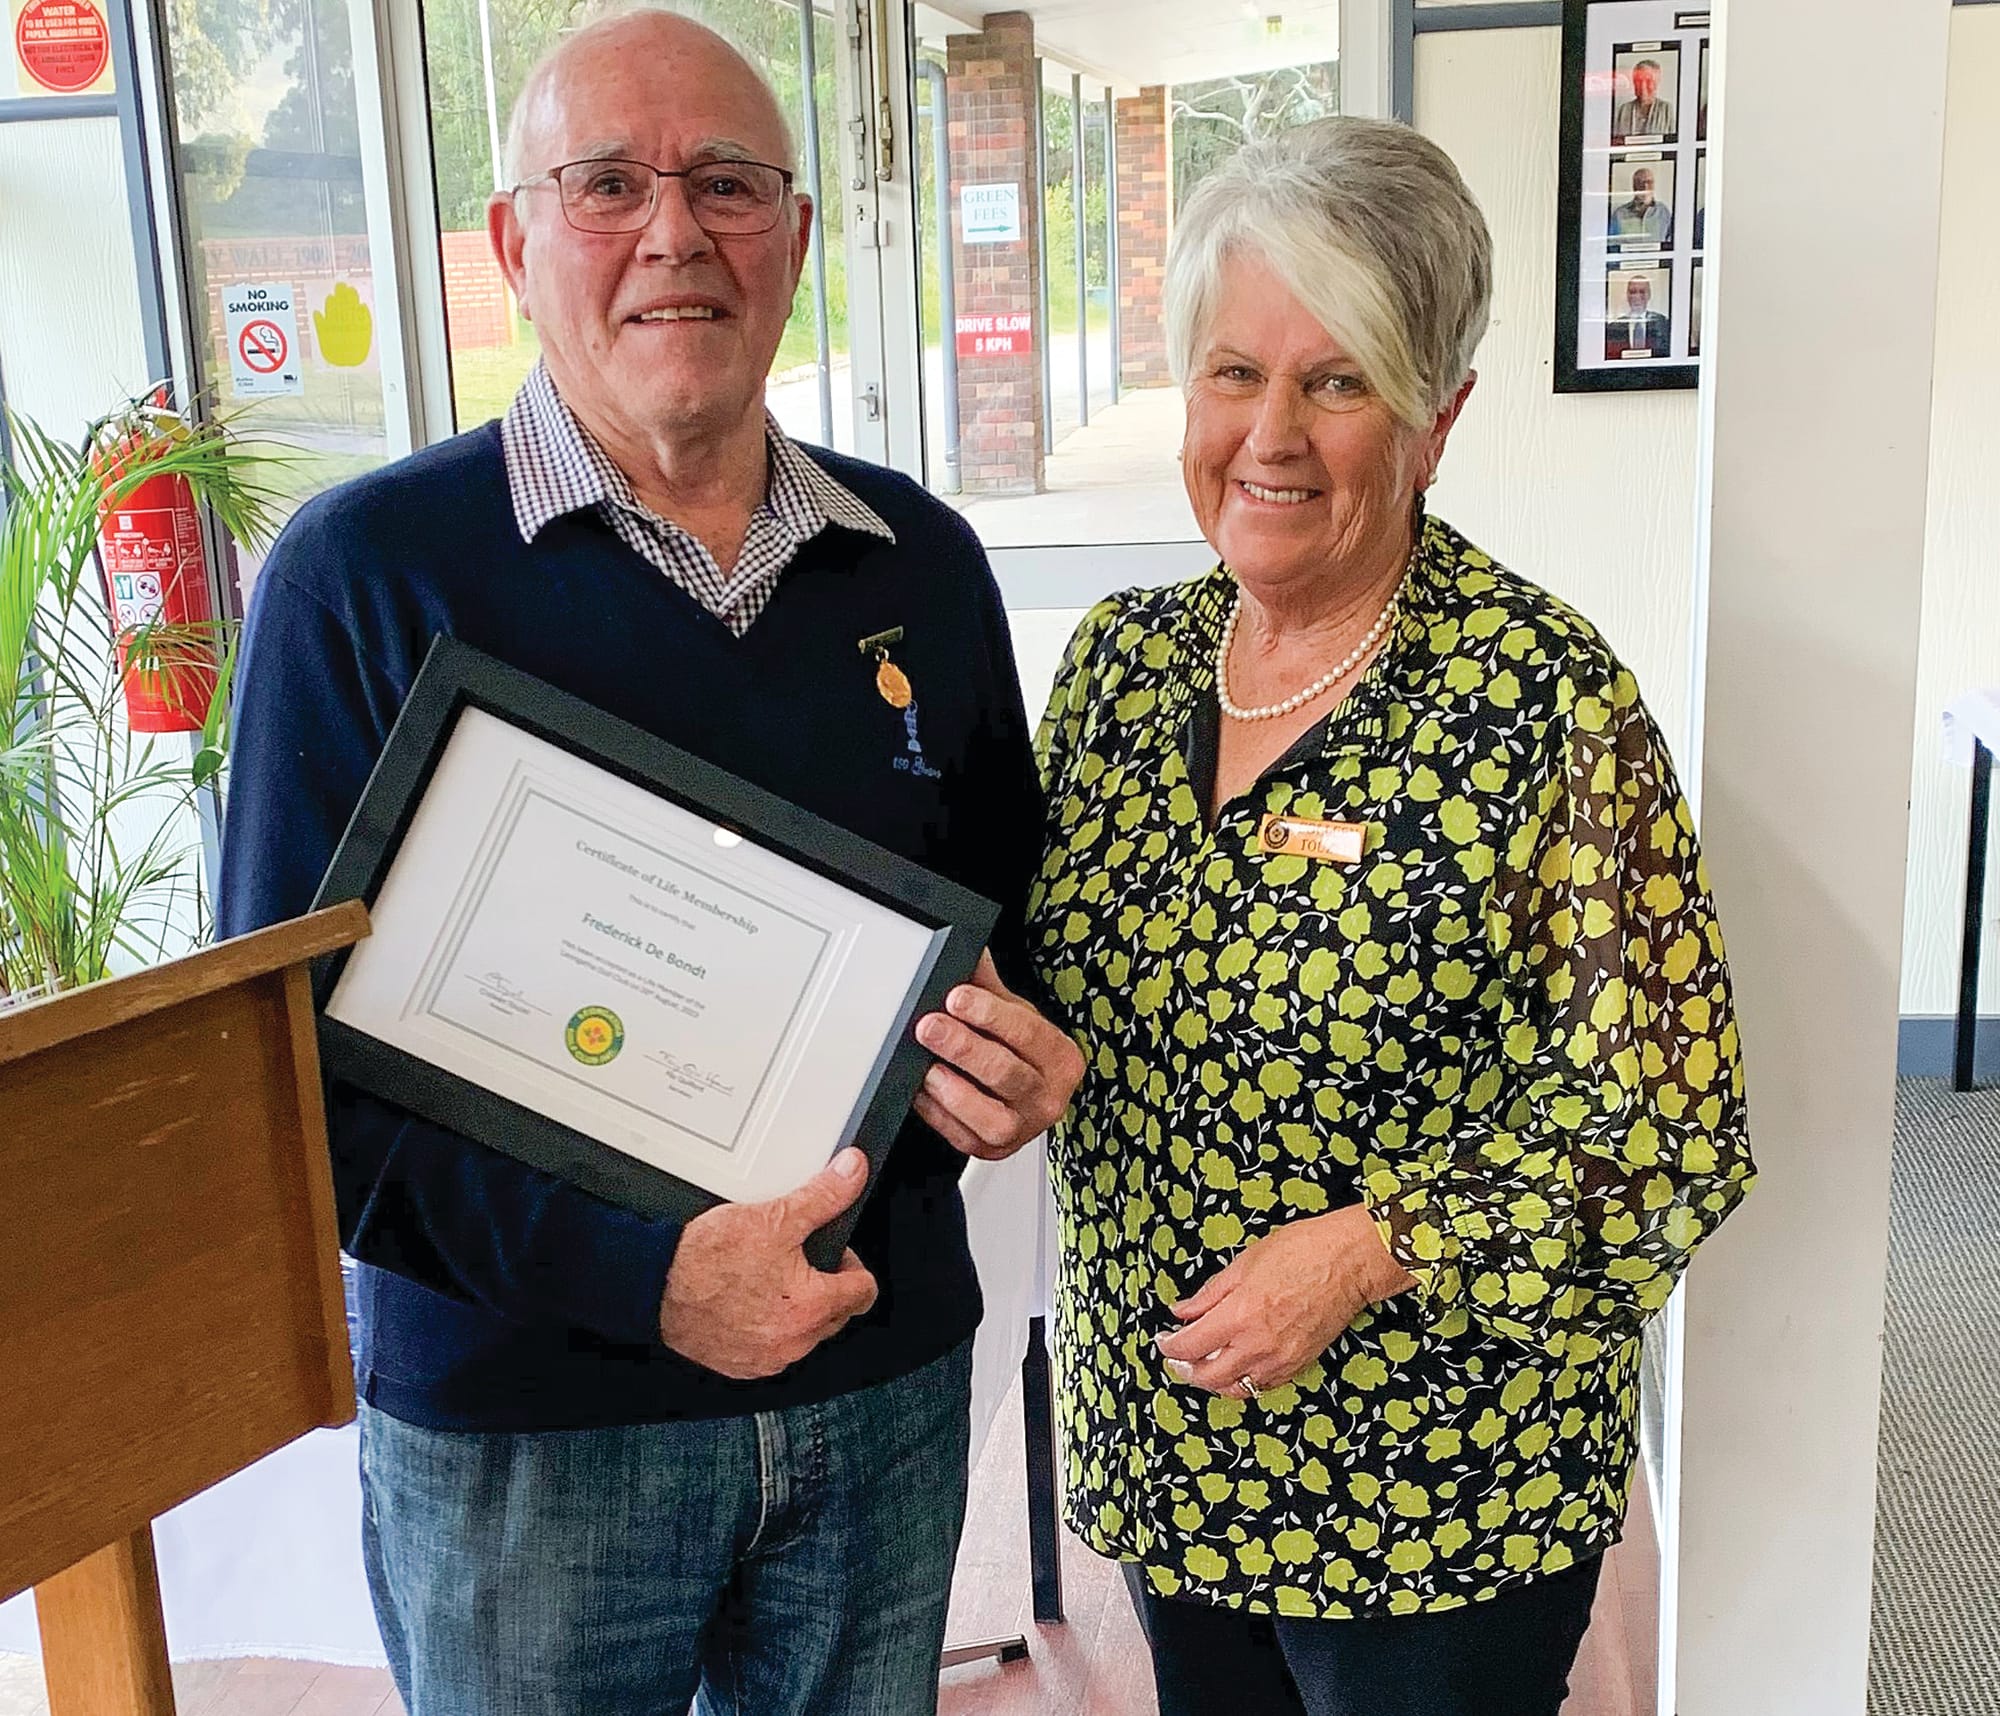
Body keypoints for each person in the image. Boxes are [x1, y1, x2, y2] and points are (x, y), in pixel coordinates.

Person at [217, 10, 1083, 1716]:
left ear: (800, 240)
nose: (675, 233)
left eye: (731, 184)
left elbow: (1005, 945)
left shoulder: (924, 563)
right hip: (537, 1444)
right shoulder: (366, 578)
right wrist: (647, 1283)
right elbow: (281, 1083)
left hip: (877, 1399)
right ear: (514, 244)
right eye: (607, 183)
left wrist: (1018, 1057)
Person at [1026, 116, 1753, 1716]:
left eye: (1338, 380)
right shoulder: (1119, 671)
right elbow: (1052, 978)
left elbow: (1667, 1129)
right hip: (1178, 1450)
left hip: (1440, 1494)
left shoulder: (1541, 704)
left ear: (1439, 419)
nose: (1269, 433)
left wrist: (1369, 1252)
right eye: (1233, 373)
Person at [1605, 273, 1671, 358]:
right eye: (1633, 292)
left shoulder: (1663, 323)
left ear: (1649, 295)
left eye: (1642, 292)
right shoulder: (1613, 328)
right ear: (1627, 295)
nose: (1637, 296)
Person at [1608, 166, 1673, 248]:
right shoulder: (1620, 214)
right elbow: (1612, 246)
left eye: (1649, 182)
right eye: (1640, 182)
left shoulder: (1663, 212)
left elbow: (1670, 243)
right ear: (1634, 186)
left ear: (1654, 185)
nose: (1645, 187)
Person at [1613, 58, 1676, 140]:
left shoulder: (1666, 109)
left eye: (1648, 81)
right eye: (1638, 81)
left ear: (1657, 83)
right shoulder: (1624, 109)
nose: (1642, 86)